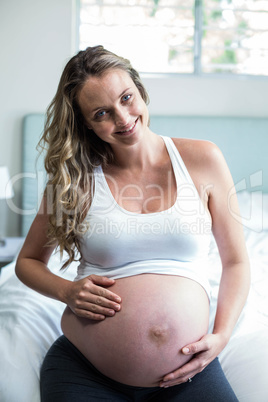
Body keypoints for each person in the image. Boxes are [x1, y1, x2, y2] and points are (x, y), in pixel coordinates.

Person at [15, 45, 250, 402]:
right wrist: (66, 291)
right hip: (85, 372)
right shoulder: (75, 178)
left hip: (188, 373)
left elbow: (236, 261)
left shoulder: (203, 158)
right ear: (86, 123)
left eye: (127, 98)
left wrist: (222, 335)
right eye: (102, 113)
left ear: (141, 91)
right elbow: (27, 262)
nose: (123, 118)